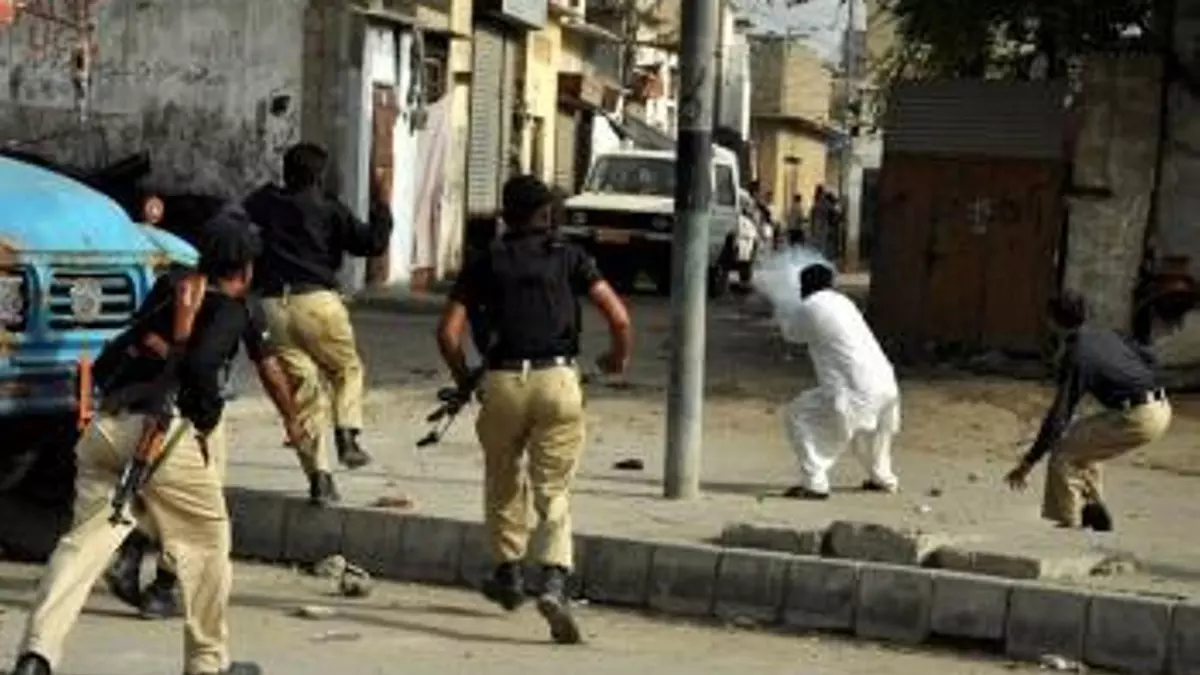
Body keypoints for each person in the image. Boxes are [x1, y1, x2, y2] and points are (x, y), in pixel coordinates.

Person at [9, 212, 305, 675]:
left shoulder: (171, 286)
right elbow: (203, 367)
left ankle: (36, 655)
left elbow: (129, 341)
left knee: (81, 547)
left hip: (107, 428)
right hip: (163, 433)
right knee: (208, 544)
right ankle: (207, 663)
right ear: (247, 268)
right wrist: (206, 415)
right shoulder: (233, 309)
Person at [436, 174, 632, 645]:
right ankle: (554, 582)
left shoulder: (484, 261)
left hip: (502, 380)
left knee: (503, 478)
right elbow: (619, 317)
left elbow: (448, 333)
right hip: (557, 379)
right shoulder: (570, 257)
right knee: (553, 487)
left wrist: (465, 380)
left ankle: (508, 574)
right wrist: (616, 358)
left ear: (506, 215)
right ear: (547, 214)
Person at [102, 215, 309, 620]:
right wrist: (292, 417)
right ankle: (163, 589)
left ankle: (131, 552)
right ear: (246, 266)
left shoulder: (172, 285)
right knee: (201, 503)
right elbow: (268, 368)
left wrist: (168, 352)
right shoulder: (242, 307)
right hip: (198, 414)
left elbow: (140, 331)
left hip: (149, 405)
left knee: (155, 486)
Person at [243, 142, 393, 506]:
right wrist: (382, 205)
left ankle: (319, 479)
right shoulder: (329, 208)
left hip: (272, 307)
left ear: (286, 171)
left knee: (305, 390)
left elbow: (236, 221)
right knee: (346, 369)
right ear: (319, 176)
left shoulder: (263, 202)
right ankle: (347, 434)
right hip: (318, 302)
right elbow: (371, 244)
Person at [1004, 291, 1172, 531]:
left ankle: (1071, 521)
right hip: (1160, 407)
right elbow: (1148, 357)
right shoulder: (1106, 335)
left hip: (1138, 417)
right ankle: (1092, 506)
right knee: (1083, 441)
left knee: (1063, 451)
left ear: (1052, 320)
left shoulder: (1077, 355)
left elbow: (1058, 417)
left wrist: (1028, 463)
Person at [778, 264, 901, 499]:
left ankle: (814, 483)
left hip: (855, 388)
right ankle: (882, 479)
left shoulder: (810, 306)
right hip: (886, 383)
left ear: (805, 286)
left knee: (798, 415)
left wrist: (784, 307)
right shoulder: (844, 302)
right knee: (873, 435)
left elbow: (791, 334)